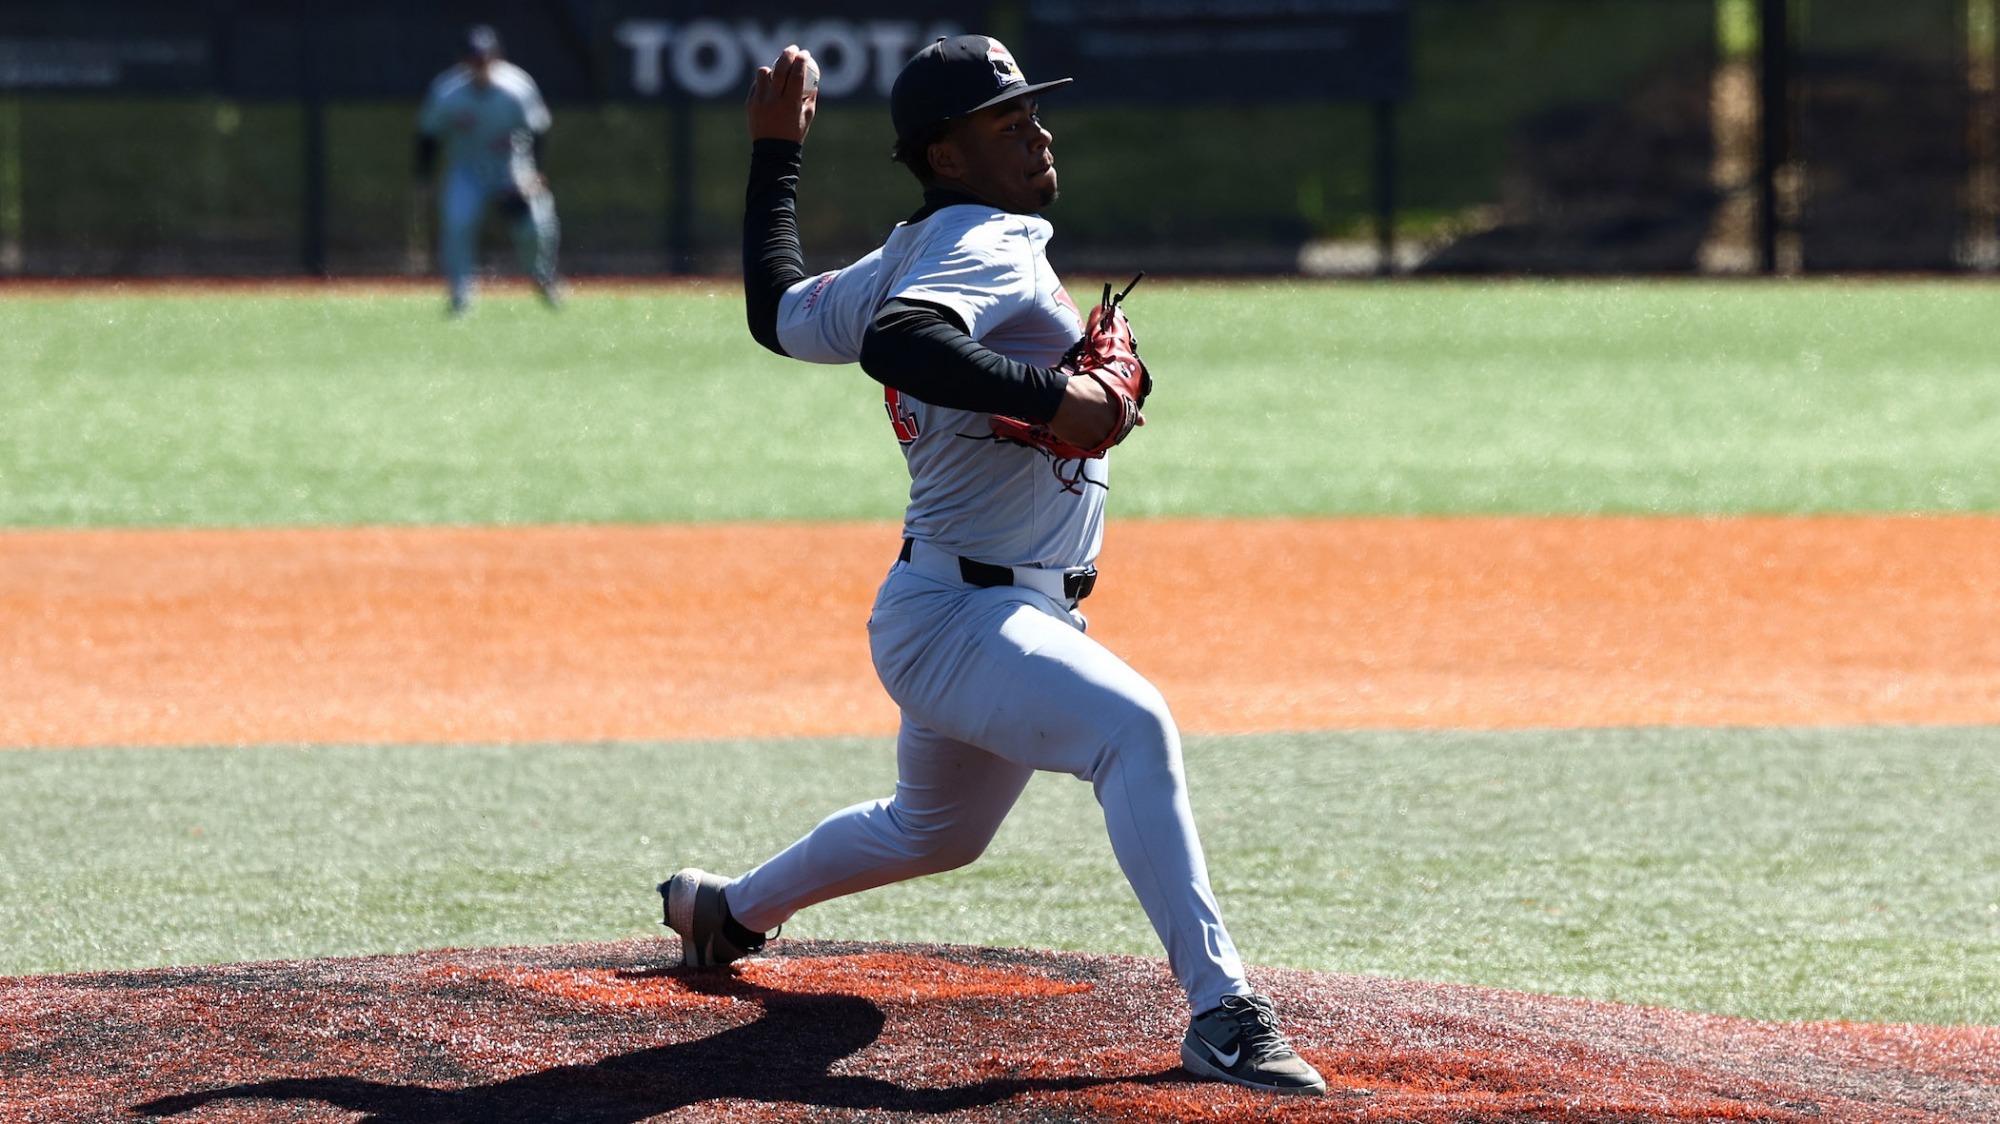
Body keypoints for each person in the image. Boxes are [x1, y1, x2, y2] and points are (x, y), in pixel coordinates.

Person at [659, 36, 1327, 1098]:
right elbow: (903, 344)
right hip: (966, 617)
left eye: (1032, 115)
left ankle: (726, 909)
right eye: (1006, 123)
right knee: (1131, 726)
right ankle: (1222, 1011)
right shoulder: (990, 239)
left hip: (965, 610)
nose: (1036, 133)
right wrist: (1058, 398)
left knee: (933, 828)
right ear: (947, 154)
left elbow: (774, 311)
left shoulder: (905, 250)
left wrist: (774, 152)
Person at [414, 24, 561, 316]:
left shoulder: (516, 88)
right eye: (474, 58)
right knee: (458, 223)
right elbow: (428, 134)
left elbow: (539, 130)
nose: (480, 64)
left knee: (536, 226)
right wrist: (423, 177)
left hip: (512, 166)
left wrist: (534, 174)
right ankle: (460, 295)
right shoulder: (447, 93)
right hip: (466, 169)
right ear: (463, 60)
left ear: (497, 57)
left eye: (485, 58)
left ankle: (544, 279)